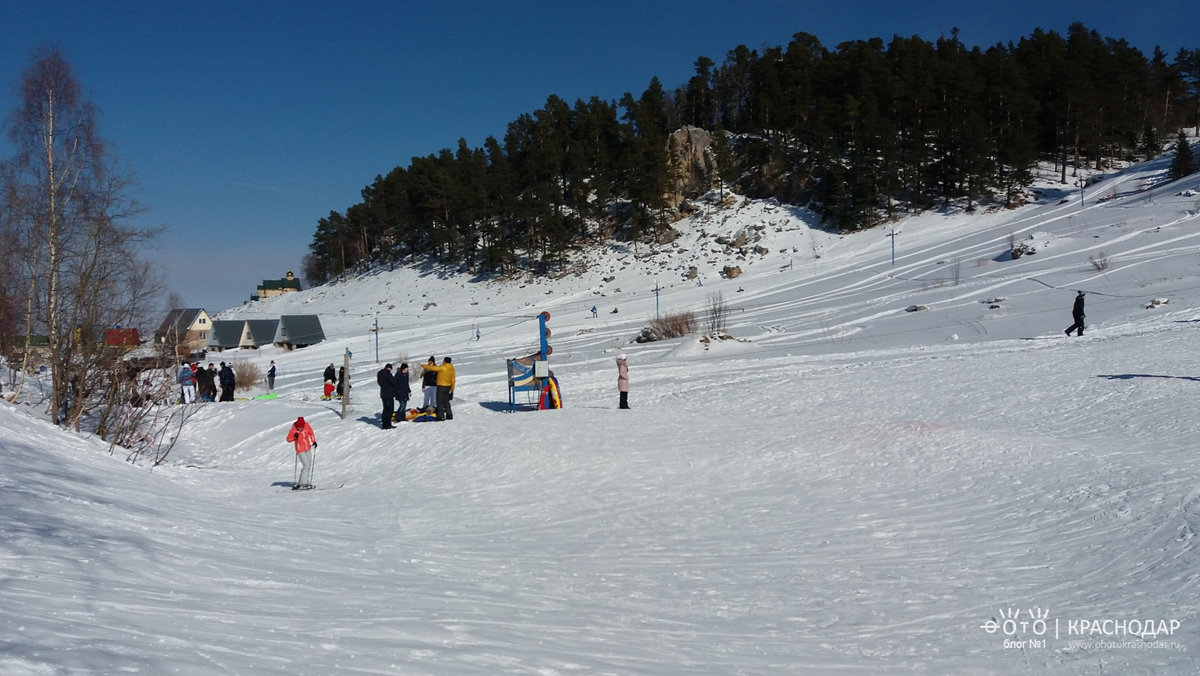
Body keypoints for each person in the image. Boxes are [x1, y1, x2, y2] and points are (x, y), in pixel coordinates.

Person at [285, 416, 317, 490]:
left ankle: (306, 482)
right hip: (300, 450)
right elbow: (288, 439)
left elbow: (311, 433)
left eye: (301, 427)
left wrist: (314, 441)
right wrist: (294, 437)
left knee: (309, 465)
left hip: (307, 448)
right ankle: (302, 483)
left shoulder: (307, 426)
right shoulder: (293, 430)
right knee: (306, 465)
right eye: (299, 427)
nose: (300, 429)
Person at [423, 356, 456, 421]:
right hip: (448, 387)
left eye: (443, 360)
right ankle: (449, 415)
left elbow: (432, 368)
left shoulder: (442, 367)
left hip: (441, 386)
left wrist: (423, 365)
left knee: (439, 401)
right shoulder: (452, 369)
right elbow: (453, 380)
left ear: (445, 361)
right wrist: (452, 389)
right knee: (446, 401)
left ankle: (441, 416)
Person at [376, 363, 397, 429]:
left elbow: (380, 383)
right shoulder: (388, 374)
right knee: (390, 410)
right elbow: (393, 383)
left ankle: (384, 424)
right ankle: (388, 424)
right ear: (389, 368)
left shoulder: (380, 374)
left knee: (385, 409)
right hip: (389, 394)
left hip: (383, 394)